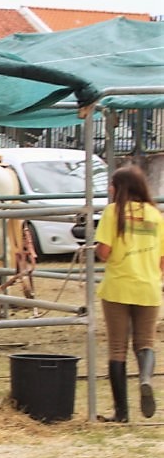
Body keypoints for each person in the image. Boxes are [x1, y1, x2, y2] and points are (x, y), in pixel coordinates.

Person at [94, 164, 161, 422]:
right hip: (149, 287)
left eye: (112, 184)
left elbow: (105, 251)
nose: (109, 189)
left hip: (118, 287)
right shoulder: (156, 215)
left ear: (121, 187)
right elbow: (162, 260)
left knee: (117, 349)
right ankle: (145, 377)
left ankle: (121, 413)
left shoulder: (113, 212)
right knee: (145, 343)